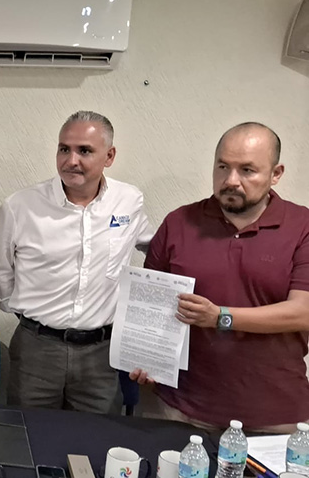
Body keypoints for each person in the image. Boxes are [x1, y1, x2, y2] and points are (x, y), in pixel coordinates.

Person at [131, 122, 309, 433]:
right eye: (223, 167)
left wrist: (220, 317)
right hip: (179, 408)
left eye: (247, 170)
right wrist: (144, 358)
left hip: (274, 416)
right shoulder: (179, 222)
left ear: (276, 174)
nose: (231, 180)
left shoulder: (302, 226)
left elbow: (303, 312)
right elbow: (151, 306)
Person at [0, 110, 152, 413]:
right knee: (29, 433)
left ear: (109, 156)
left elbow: (156, 250)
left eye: (84, 151)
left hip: (101, 354)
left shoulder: (128, 201)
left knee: (97, 436)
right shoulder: (20, 206)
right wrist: (24, 313)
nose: (71, 160)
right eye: (64, 149)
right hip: (37, 350)